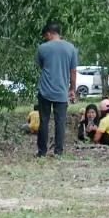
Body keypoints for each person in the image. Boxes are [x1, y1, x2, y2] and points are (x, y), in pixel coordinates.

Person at [34, 20, 78, 158]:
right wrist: (72, 88)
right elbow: (73, 71)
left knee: (44, 121)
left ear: (49, 33)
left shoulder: (42, 48)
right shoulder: (71, 48)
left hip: (45, 90)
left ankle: (42, 152)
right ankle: (58, 152)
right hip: (61, 91)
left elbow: (42, 66)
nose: (45, 39)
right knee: (60, 122)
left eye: (45, 36)